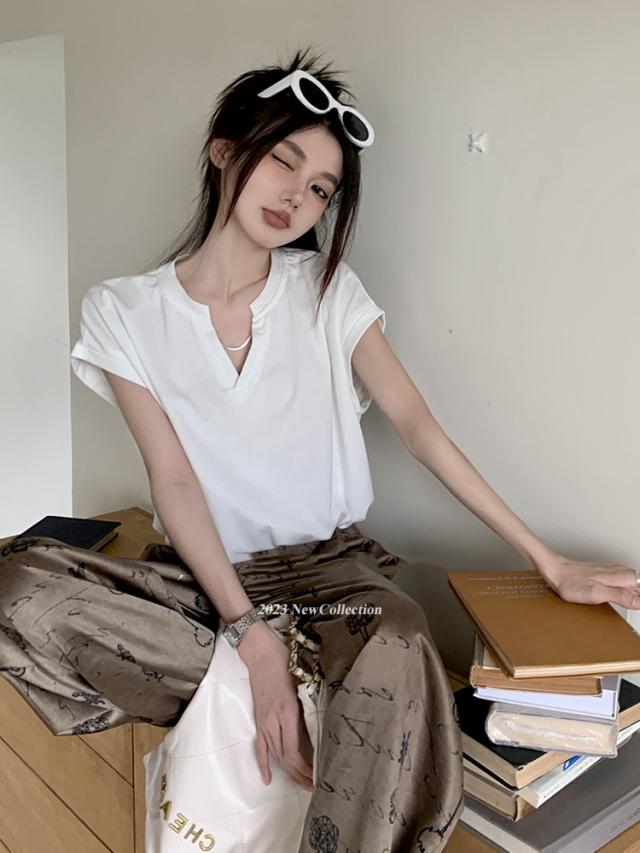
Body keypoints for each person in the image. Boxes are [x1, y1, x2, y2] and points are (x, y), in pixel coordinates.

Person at [2, 45, 640, 853]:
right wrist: (251, 637)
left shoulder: (328, 291)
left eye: (320, 189)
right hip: (203, 582)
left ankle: (298, 691)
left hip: (332, 582)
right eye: (283, 161)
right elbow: (175, 483)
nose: (297, 196)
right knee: (21, 588)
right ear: (223, 151)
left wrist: (548, 560)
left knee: (400, 643)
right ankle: (272, 665)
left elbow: (417, 426)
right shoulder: (124, 311)